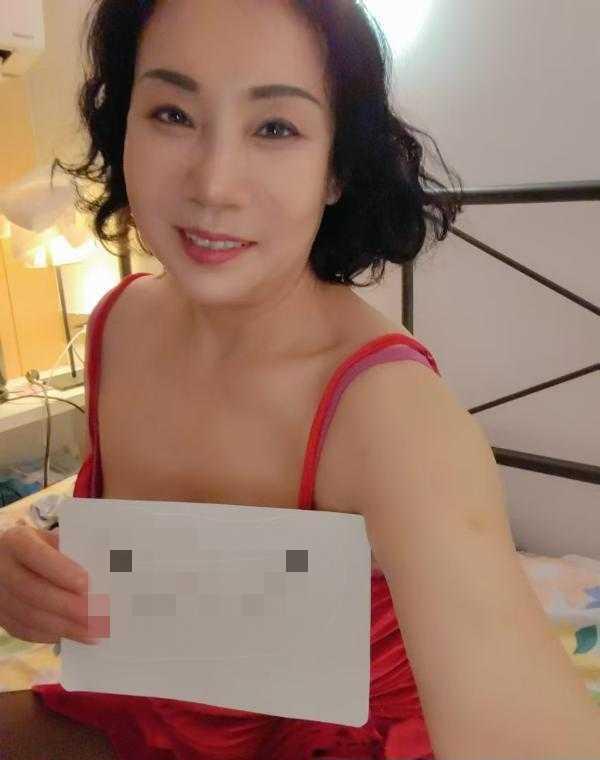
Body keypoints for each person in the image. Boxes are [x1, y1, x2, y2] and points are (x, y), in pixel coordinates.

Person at [0, 0, 467, 758]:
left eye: (275, 127)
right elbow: (150, 555)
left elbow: (521, 718)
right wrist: (32, 572)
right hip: (146, 704)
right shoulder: (116, 324)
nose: (214, 184)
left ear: (337, 168)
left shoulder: (389, 405)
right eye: (172, 113)